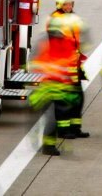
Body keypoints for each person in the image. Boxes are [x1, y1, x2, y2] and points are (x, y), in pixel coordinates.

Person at [28, 26, 81, 156]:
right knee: (51, 119)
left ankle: (47, 144)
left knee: (51, 119)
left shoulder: (53, 47)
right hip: (47, 89)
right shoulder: (47, 47)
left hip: (53, 89)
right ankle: (48, 146)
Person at [47, 0, 89, 138]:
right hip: (62, 68)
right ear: (59, 5)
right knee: (64, 100)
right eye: (65, 4)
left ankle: (75, 127)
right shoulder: (55, 20)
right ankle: (63, 130)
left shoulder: (72, 18)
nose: (68, 6)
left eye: (70, 4)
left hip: (74, 66)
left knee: (78, 98)